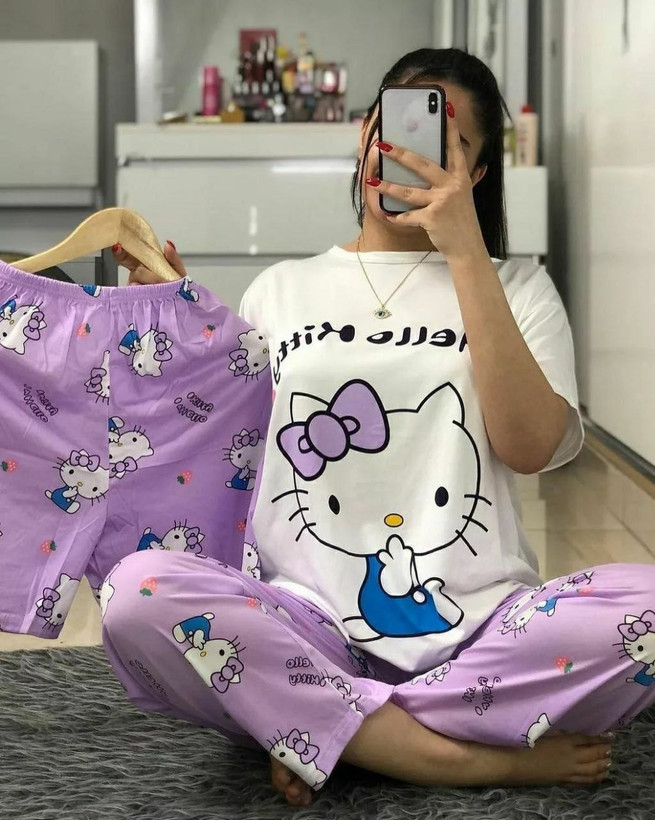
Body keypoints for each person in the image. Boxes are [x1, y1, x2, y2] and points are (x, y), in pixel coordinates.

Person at [103, 49, 655, 808]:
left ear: (476, 174)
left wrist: (465, 251)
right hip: (309, 625)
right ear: (363, 134)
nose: (406, 153)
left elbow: (529, 447)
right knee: (136, 593)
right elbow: (224, 451)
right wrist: (177, 321)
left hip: (482, 631)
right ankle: (459, 756)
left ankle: (321, 725)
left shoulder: (520, 287)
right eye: (392, 126)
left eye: (442, 142)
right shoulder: (282, 289)